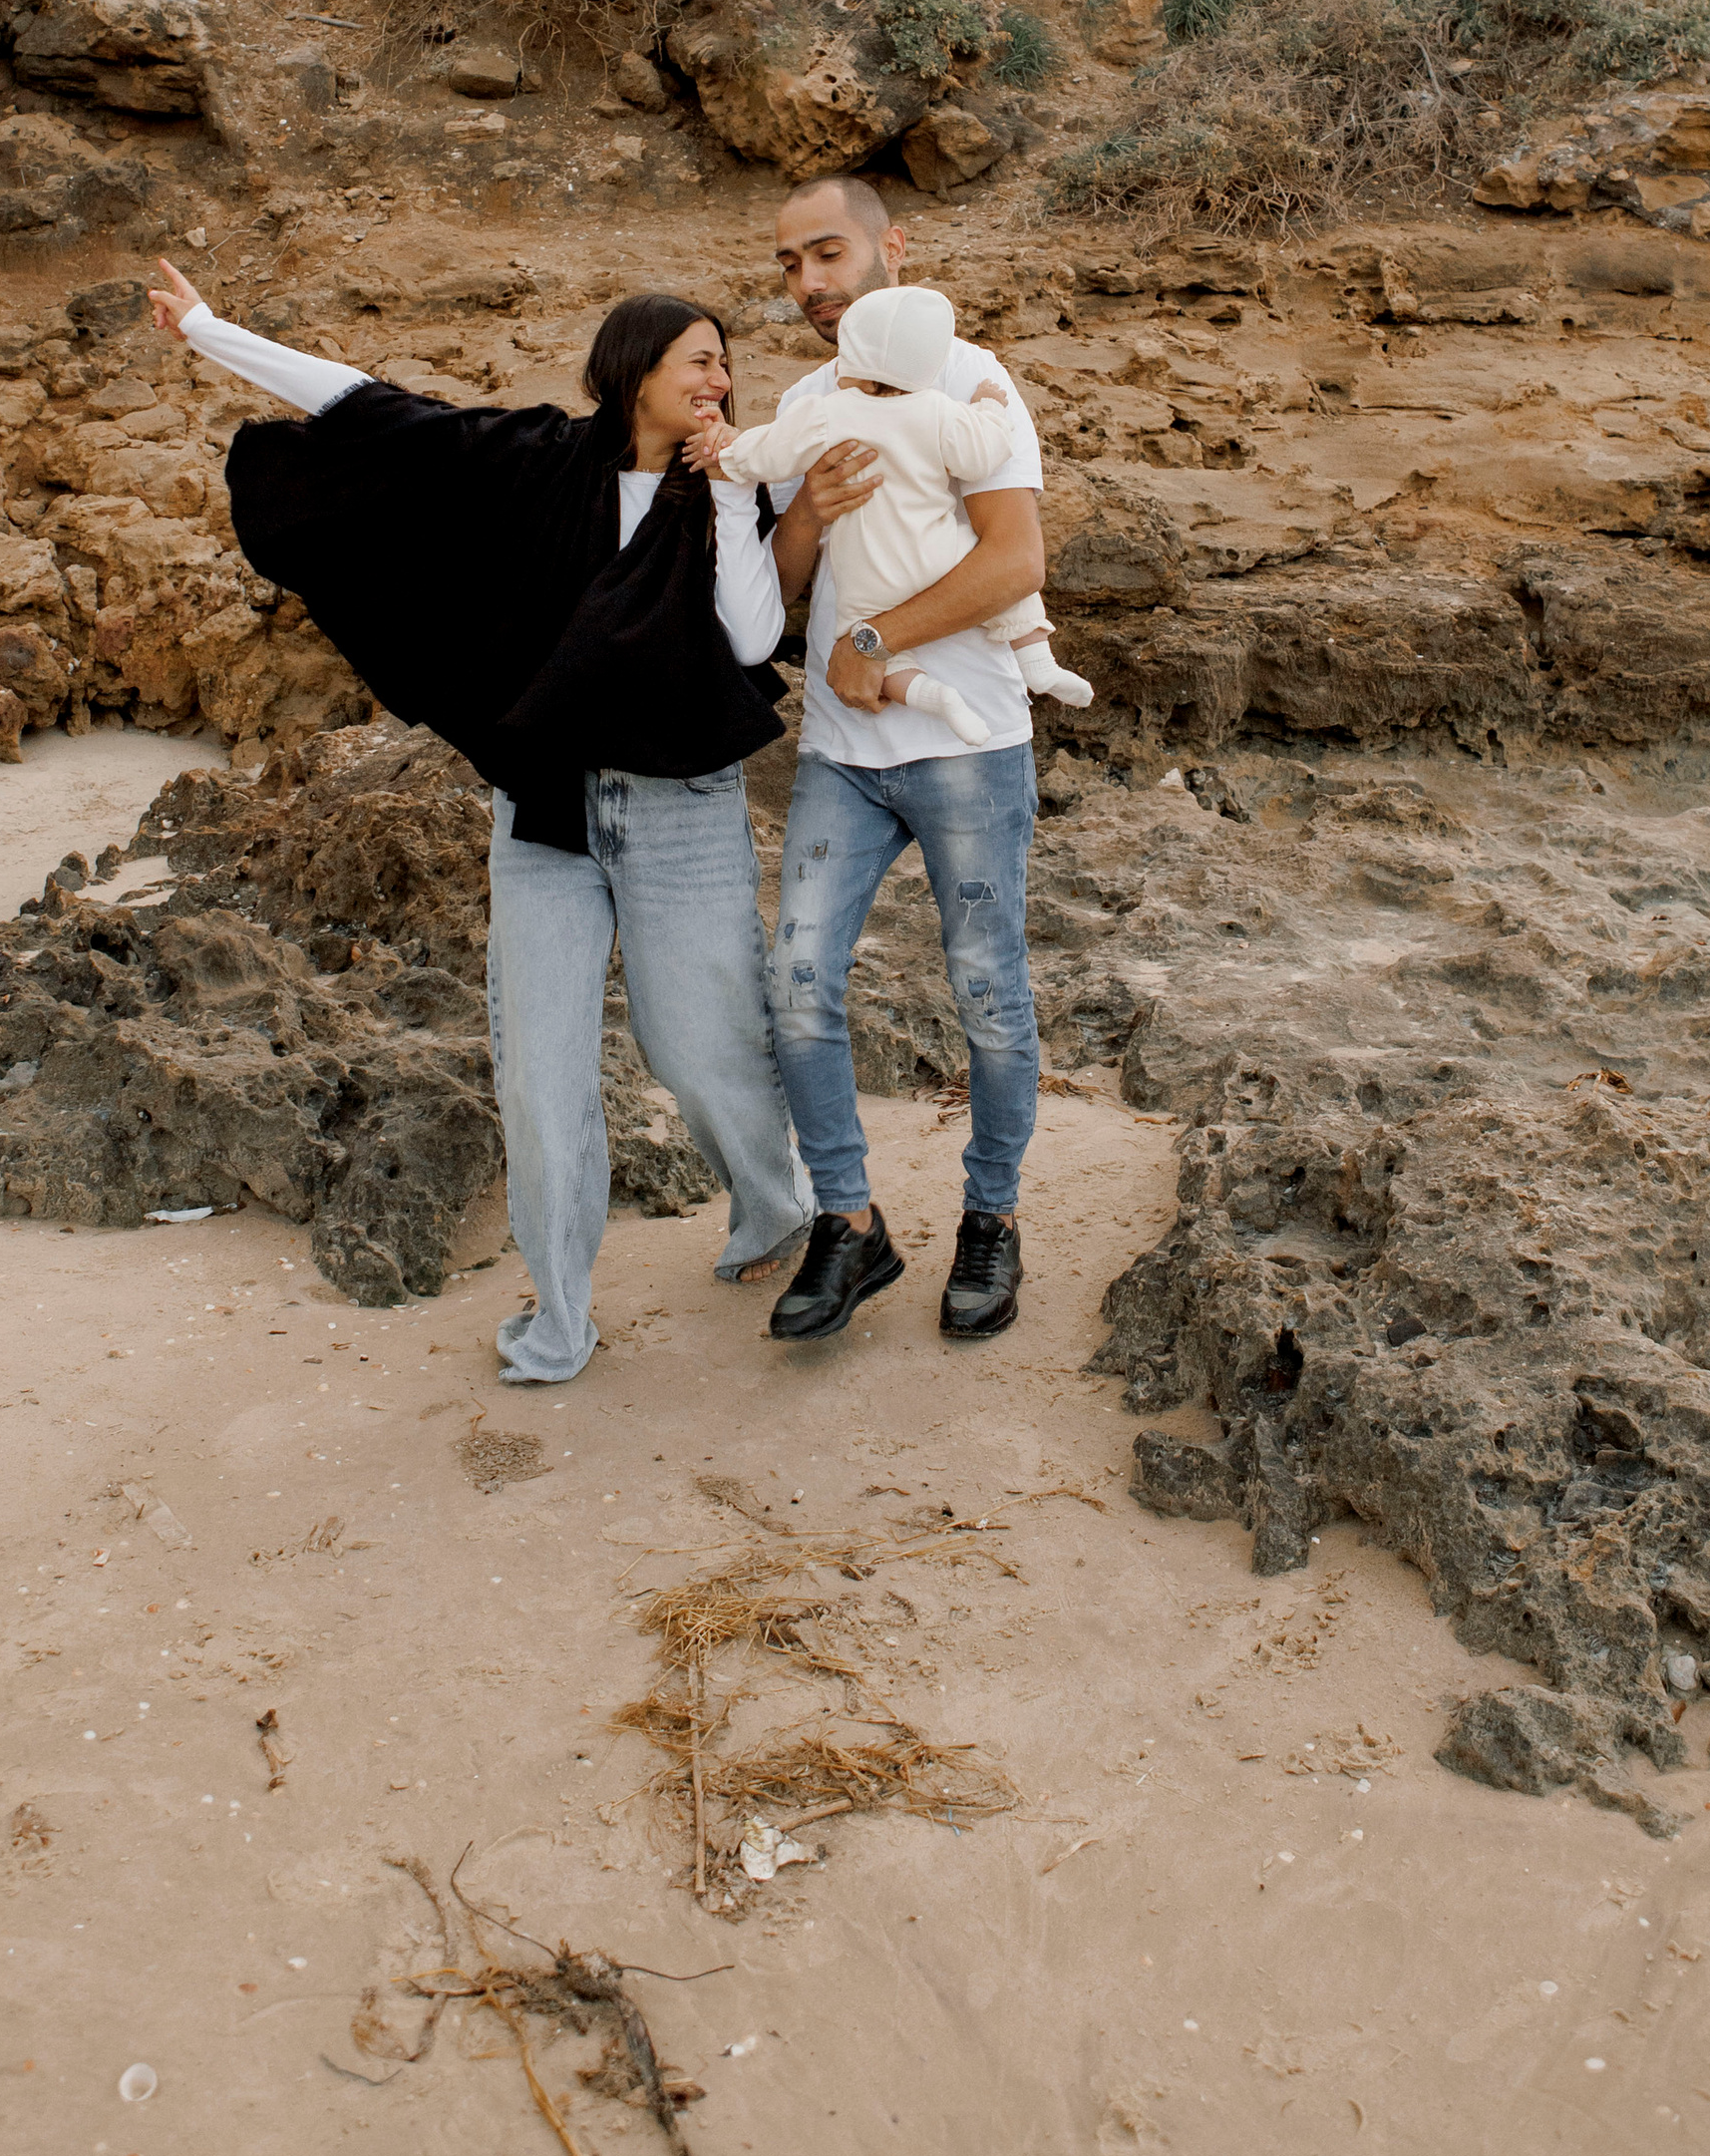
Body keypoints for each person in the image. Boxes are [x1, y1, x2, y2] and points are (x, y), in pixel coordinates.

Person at [147, 258, 811, 1385]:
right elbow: (370, 410)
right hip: (545, 806)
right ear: (633, 370)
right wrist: (211, 329)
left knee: (700, 1052)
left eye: (726, 363)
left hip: (681, 807)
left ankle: (773, 1209)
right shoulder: (538, 461)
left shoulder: (732, 484)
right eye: (699, 357)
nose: (721, 376)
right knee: (538, 1075)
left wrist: (745, 487)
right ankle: (559, 1316)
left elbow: (753, 642)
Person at [752, 180, 1050, 1349]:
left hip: (968, 746)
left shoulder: (973, 384)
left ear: (892, 249)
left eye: (827, 253)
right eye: (788, 265)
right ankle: (848, 1220)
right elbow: (779, 583)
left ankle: (992, 1216)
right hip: (839, 753)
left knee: (987, 994)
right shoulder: (800, 401)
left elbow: (1015, 558)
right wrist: (810, 514)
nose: (809, 283)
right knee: (796, 984)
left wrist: (878, 641)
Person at [690, 282, 1091, 745]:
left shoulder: (824, 412)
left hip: (870, 570)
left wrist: (727, 451)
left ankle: (937, 698)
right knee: (1010, 593)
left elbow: (768, 453)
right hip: (942, 553)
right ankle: (1039, 663)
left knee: (871, 642)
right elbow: (982, 453)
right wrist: (989, 407)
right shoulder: (938, 410)